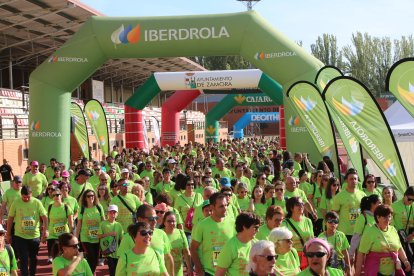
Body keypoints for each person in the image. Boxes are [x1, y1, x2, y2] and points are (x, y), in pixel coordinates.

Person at [117, 204, 175, 276]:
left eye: (156, 218)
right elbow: (121, 264)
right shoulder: (127, 238)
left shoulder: (162, 234)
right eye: (151, 219)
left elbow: (168, 258)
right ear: (139, 219)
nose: (155, 221)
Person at [355, 205, 411, 276]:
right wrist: (357, 272)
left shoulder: (393, 230)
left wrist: (405, 261)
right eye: (385, 217)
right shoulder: (369, 232)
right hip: (375, 272)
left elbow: (399, 247)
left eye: (389, 216)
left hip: (392, 272)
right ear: (378, 217)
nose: (388, 219)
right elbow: (361, 253)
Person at [190, 192, 236, 276]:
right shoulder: (201, 225)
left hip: (229, 272)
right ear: (212, 207)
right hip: (209, 272)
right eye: (221, 206)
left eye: (226, 205)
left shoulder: (232, 223)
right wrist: (199, 268)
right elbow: (193, 248)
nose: (225, 208)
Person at [6, 185, 48, 276]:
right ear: (21, 195)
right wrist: (8, 234)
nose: (26, 199)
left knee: (34, 258)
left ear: (31, 194)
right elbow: (10, 218)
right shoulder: (16, 202)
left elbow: (45, 217)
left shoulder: (37, 202)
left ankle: (32, 274)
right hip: (20, 236)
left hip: (34, 236)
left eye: (28, 197)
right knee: (23, 259)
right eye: (24, 197)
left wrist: (46, 230)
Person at [331, 170, 366, 242]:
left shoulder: (362, 195)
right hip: (345, 232)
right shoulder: (339, 196)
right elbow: (334, 213)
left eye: (355, 179)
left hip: (359, 230)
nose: (353, 181)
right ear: (346, 180)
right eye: (351, 179)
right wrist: (333, 228)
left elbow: (366, 212)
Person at [75, 189, 104, 273]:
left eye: (92, 195)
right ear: (85, 198)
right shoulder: (82, 209)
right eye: (88, 196)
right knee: (90, 256)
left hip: (97, 237)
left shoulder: (99, 207)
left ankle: (89, 273)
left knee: (95, 259)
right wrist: (76, 237)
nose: (91, 197)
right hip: (85, 237)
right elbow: (79, 224)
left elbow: (103, 222)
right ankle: (90, 273)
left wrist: (104, 234)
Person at [281, 196, 314, 270]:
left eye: (302, 204)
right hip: (293, 257)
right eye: (297, 204)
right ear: (291, 208)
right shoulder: (284, 223)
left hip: (307, 256)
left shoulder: (308, 221)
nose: (301, 206)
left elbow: (312, 239)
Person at [46, 187, 74, 264]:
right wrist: (46, 231)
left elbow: (71, 221)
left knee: (64, 254)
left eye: (58, 195)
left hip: (64, 234)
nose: (56, 197)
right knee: (55, 252)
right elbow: (46, 219)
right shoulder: (50, 207)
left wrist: (71, 232)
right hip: (52, 234)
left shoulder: (66, 207)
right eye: (54, 195)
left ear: (61, 196)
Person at [349, 194, 381, 261]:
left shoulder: (379, 217)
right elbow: (356, 237)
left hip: (377, 252)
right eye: (379, 203)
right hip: (363, 253)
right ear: (372, 204)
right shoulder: (362, 217)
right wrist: (351, 254)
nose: (381, 205)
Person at [161, 211, 191, 276]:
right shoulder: (160, 233)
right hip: (164, 272)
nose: (172, 223)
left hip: (178, 271)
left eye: (174, 221)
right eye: (169, 221)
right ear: (164, 222)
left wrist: (189, 269)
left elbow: (186, 252)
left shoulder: (181, 233)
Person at [392, 186, 414, 273]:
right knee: (403, 266)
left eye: (413, 200)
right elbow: (390, 224)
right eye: (409, 199)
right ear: (404, 195)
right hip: (400, 241)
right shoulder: (394, 206)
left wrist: (412, 235)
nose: (411, 202)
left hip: (412, 239)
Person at [97, 205, 123, 276]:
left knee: (116, 270)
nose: (112, 214)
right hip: (108, 251)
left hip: (116, 252)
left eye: (114, 212)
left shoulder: (119, 225)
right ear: (107, 213)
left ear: (117, 214)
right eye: (111, 212)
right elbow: (99, 236)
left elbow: (122, 238)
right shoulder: (103, 224)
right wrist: (109, 234)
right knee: (112, 269)